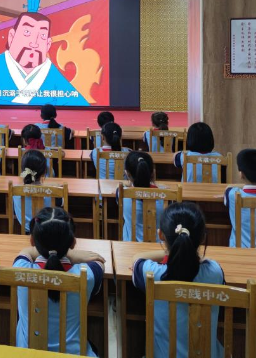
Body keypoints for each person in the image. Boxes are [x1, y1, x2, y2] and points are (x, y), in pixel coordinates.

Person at [0, 0, 89, 106]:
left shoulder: (55, 78)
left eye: (42, 35)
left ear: (48, 44)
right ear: (11, 37)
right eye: (27, 32)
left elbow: (78, 106)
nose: (34, 42)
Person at [132, 202, 225, 358]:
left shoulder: (152, 273)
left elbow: (136, 259)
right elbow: (203, 262)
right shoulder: (214, 272)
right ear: (202, 237)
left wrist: (171, 251)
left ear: (160, 235)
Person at [13, 207, 105, 355]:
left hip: (26, 354)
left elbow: (25, 252)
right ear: (73, 243)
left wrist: (48, 248)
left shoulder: (20, 270)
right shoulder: (86, 274)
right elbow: (99, 261)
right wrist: (71, 254)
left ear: (32, 241)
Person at [117, 152, 161, 242]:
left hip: (130, 246)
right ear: (153, 173)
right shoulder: (166, 197)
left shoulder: (121, 193)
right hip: (158, 247)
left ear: (127, 174)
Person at [13, 150, 51, 234]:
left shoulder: (16, 192)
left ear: (23, 169)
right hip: (48, 234)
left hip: (25, 232)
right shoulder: (52, 192)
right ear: (44, 171)